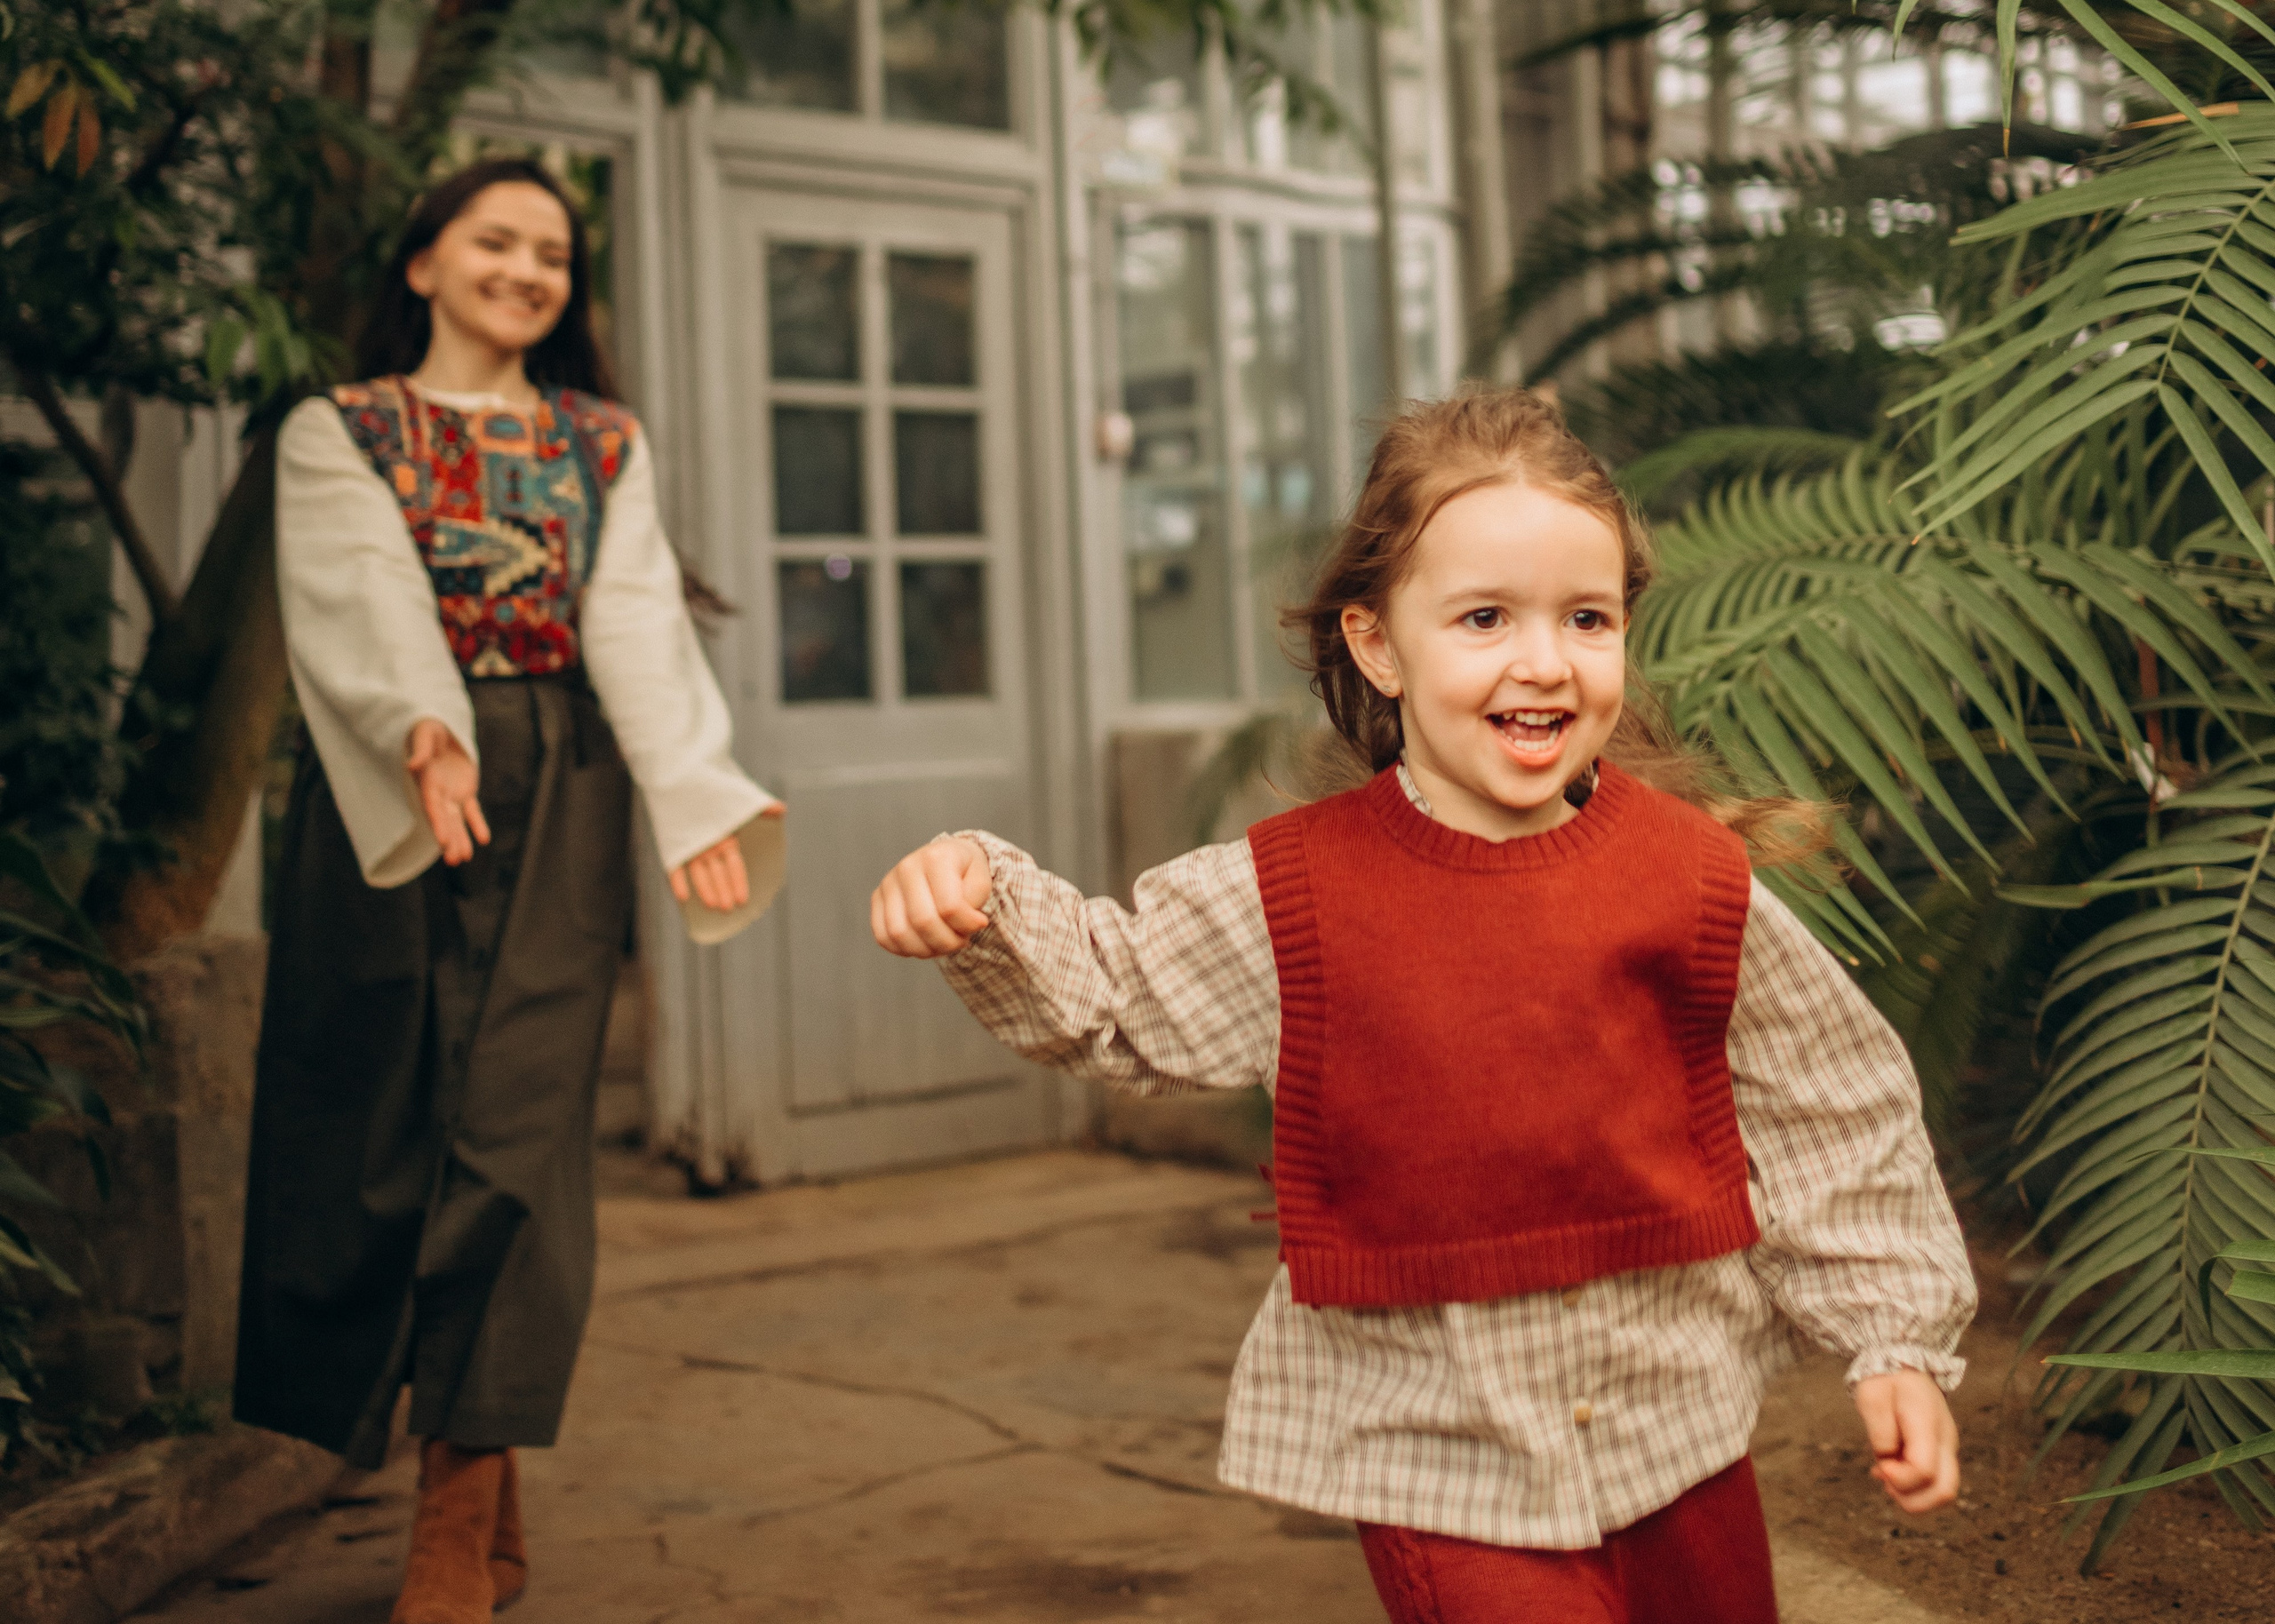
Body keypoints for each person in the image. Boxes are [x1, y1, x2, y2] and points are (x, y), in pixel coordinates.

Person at [869, 389, 1976, 1624]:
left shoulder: (1691, 879)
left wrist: (1897, 1342)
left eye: (1587, 618)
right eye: (1486, 617)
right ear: (1379, 643)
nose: (1545, 661)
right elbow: (1120, 998)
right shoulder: (1296, 895)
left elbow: (1836, 1110)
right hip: (1438, 1460)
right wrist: (979, 892)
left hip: (1680, 1433)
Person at [235, 157, 782, 1624]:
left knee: (523, 1142)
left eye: (553, 253)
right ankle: (485, 1504)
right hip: (385, 794)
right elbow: (361, 594)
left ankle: (448, 1530)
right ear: (424, 263)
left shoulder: (600, 445)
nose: (528, 270)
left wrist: (690, 797)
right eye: (497, 240)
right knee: (382, 1131)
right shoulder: (338, 432)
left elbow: (638, 630)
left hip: (562, 788)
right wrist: (423, 727)